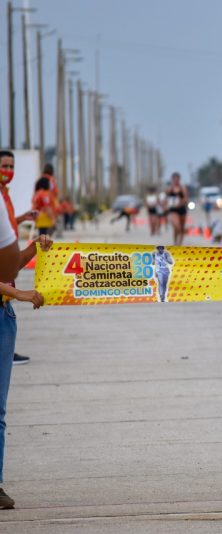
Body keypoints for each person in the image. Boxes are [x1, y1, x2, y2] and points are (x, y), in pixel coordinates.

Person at [0, 149, 50, 508]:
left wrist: (35, 247)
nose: (7, 171)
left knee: (0, 413)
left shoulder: (4, 206)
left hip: (5, 316)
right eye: (3, 166)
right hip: (7, 305)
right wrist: (19, 292)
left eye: (10, 166)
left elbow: (10, 266)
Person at [165, 172, 189, 246]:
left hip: (181, 209)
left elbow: (186, 198)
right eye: (174, 179)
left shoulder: (182, 188)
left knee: (181, 227)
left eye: (177, 179)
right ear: (172, 179)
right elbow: (165, 198)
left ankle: (179, 244)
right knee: (177, 226)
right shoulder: (169, 188)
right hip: (173, 209)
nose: (176, 181)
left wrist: (181, 202)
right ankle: (175, 242)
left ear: (179, 179)